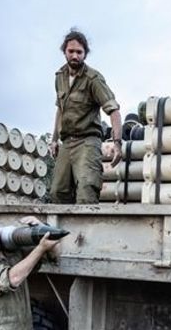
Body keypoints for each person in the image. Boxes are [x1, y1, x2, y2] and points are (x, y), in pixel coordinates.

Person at [49, 29, 123, 204]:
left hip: (87, 141)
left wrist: (117, 143)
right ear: (64, 52)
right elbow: (60, 109)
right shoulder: (60, 77)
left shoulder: (93, 79)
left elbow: (114, 110)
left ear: (85, 54)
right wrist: (54, 139)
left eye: (79, 52)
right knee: (57, 192)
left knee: (86, 190)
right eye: (71, 51)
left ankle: (87, 231)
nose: (75, 56)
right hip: (67, 142)